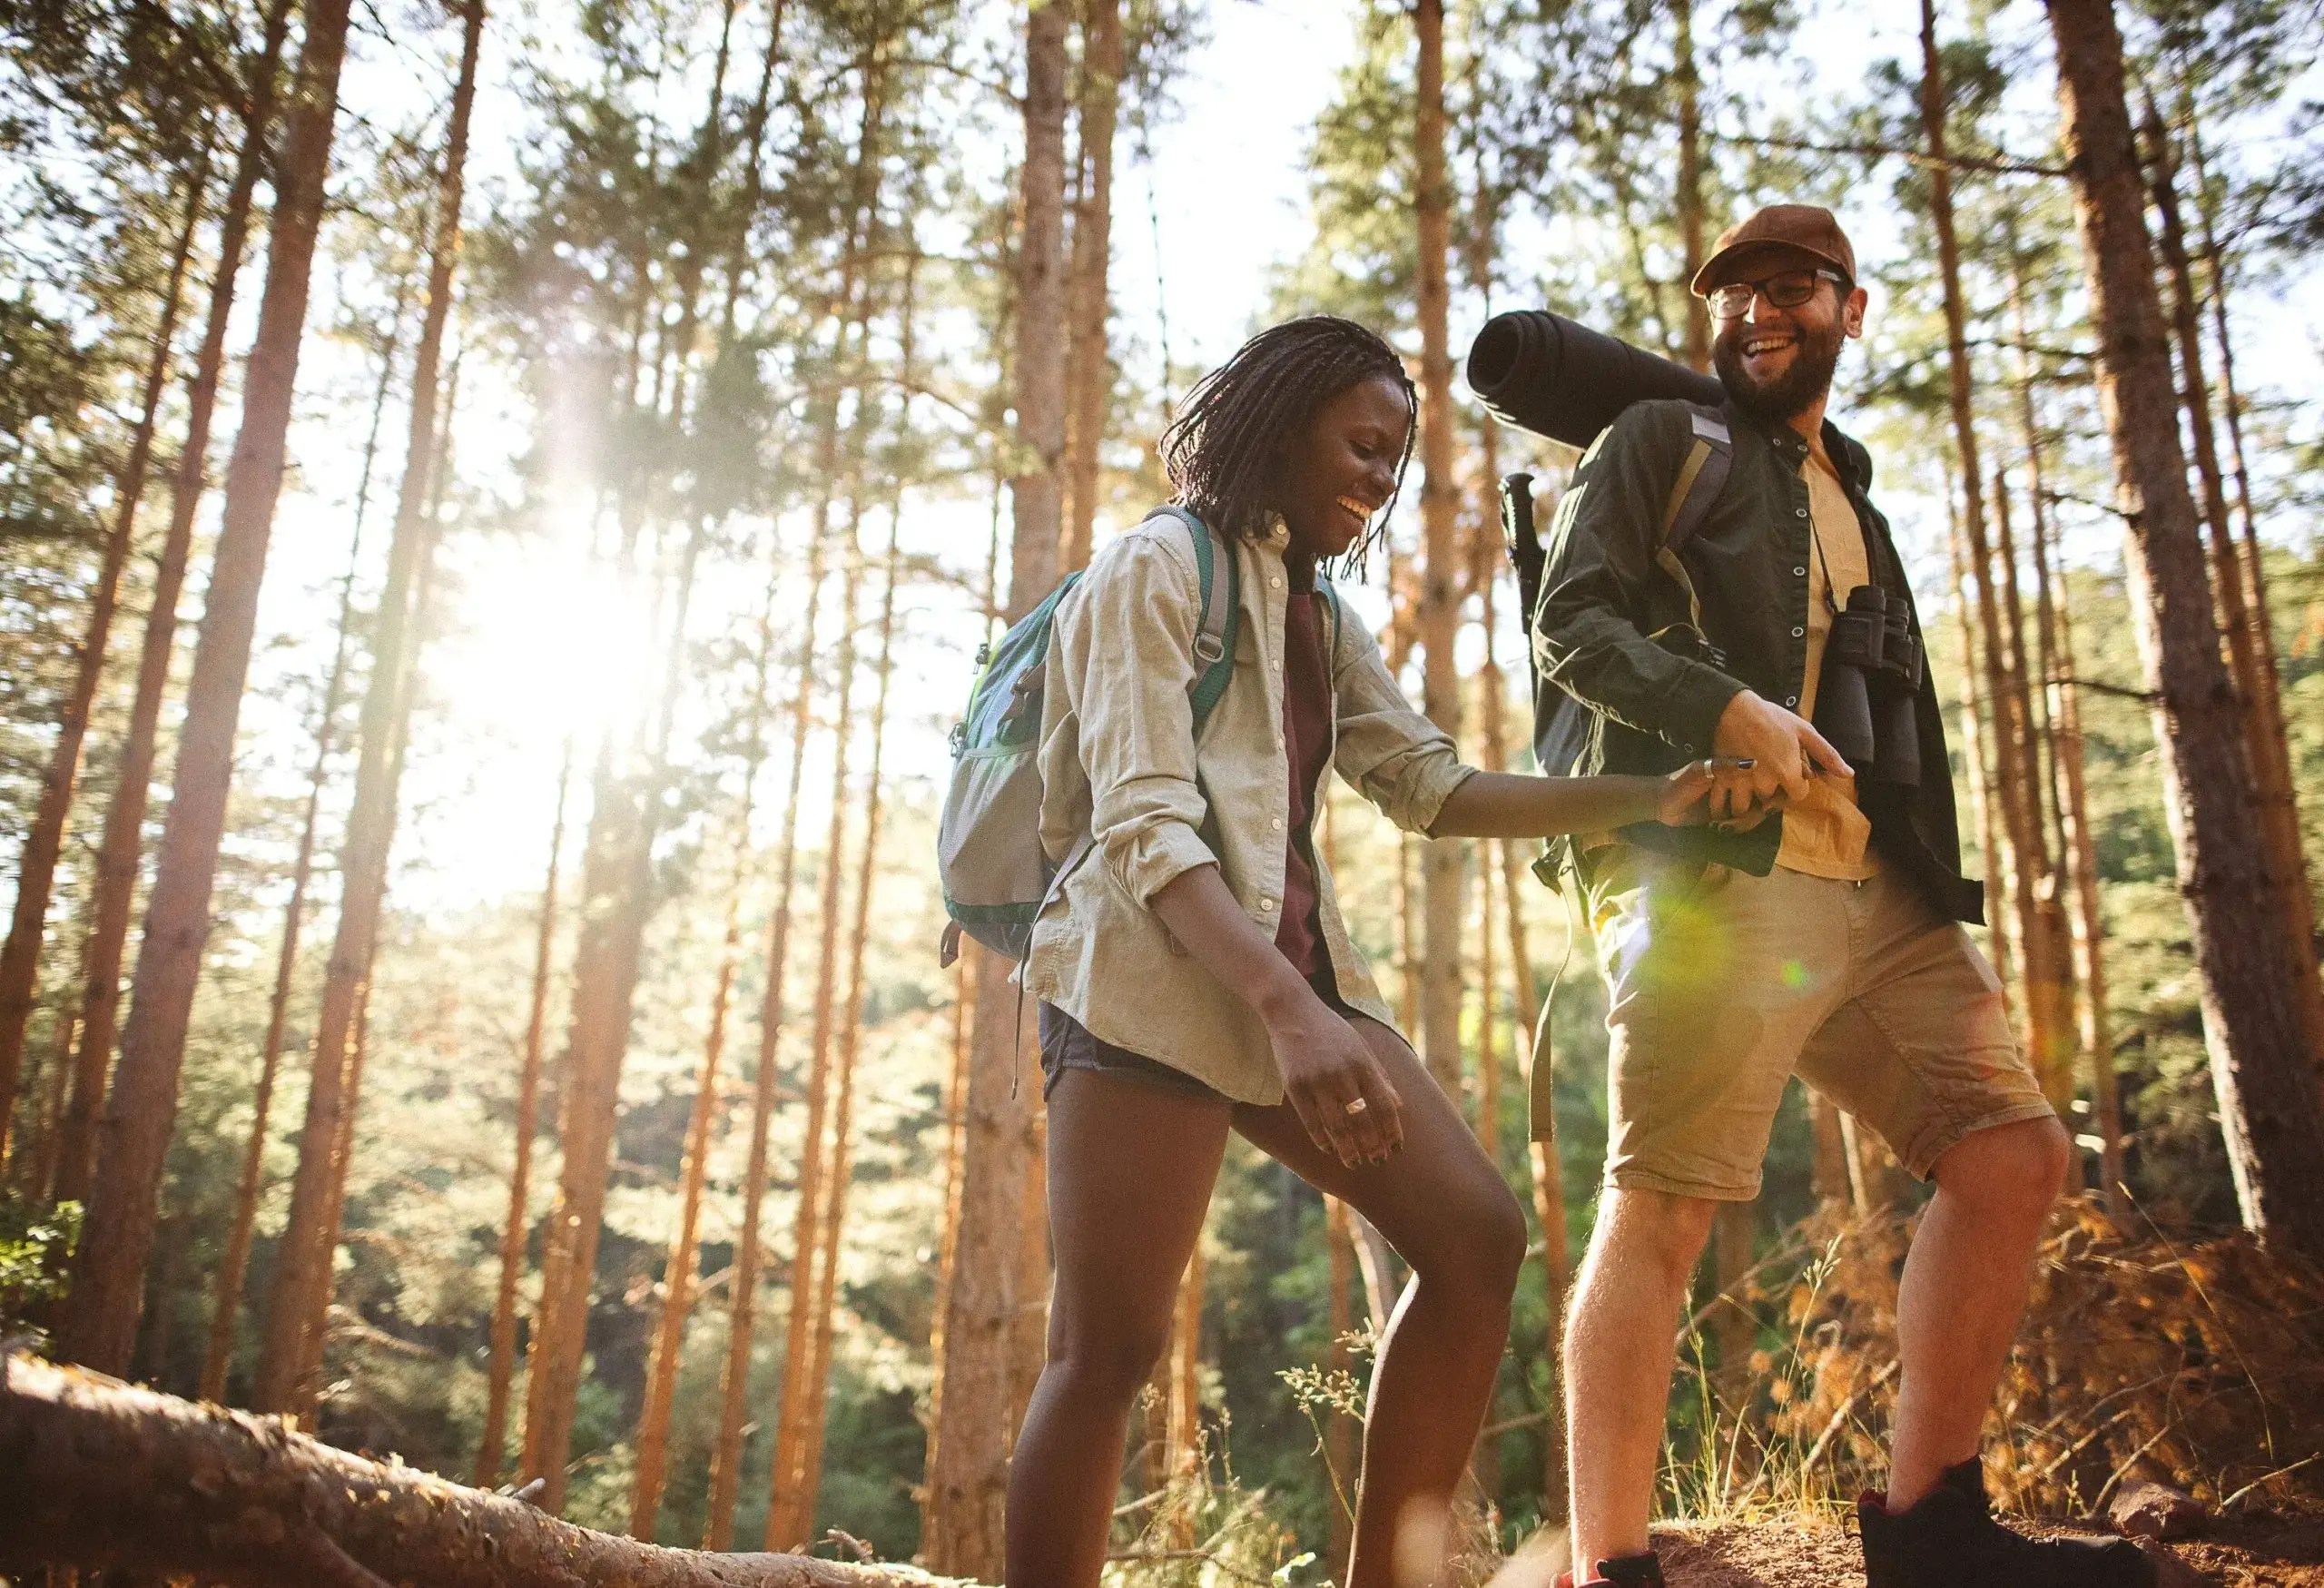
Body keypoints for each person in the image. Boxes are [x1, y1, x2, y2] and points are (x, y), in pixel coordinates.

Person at [1009, 315, 1720, 1588]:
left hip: (1293, 989)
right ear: (1279, 427)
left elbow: (1434, 787)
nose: (1380, 479)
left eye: (1395, 459)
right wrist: (1294, 1015)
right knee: (1107, 1354)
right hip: (1140, 989)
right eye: (1362, 445)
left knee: (1474, 1241)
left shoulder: (1312, 613)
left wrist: (1651, 798)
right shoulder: (1152, 569)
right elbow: (1144, 828)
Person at [1532, 205, 2153, 1588]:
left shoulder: (1853, 495)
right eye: (1733, 292)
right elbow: (1569, 622)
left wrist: (1930, 864)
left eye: (1791, 287)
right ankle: (1611, 1570)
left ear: (1851, 310)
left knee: (2009, 1152)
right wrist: (1719, 707)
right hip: (1714, 875)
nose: (1756, 310)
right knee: (1667, 1204)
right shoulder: (1657, 442)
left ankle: (1934, 1529)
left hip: (1874, 882)